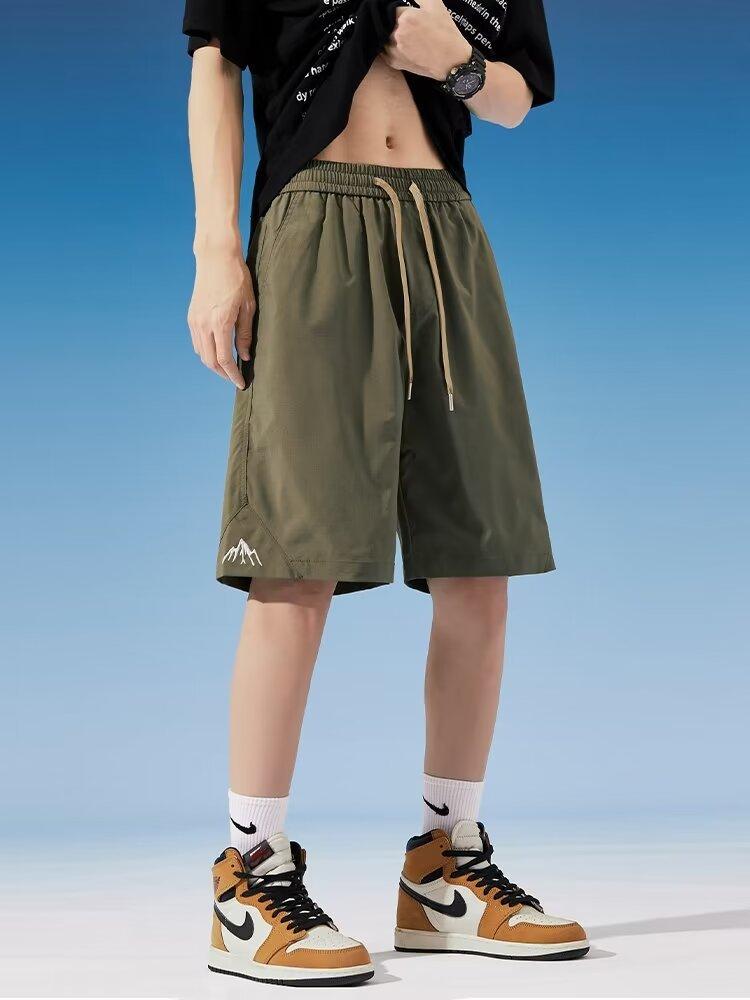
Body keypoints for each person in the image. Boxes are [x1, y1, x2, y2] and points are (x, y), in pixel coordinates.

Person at [183, 0, 588, 986]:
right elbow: (216, 63)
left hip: (445, 229)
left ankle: (445, 865)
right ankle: (249, 874)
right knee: (296, 557)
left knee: (479, 553)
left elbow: (517, 96)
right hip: (314, 220)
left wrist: (457, 66)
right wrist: (217, 251)